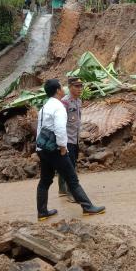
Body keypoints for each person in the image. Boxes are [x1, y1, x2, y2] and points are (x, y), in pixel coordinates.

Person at [36, 79, 105, 221]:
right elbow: (60, 129)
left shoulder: (44, 107)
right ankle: (88, 207)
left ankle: (42, 212)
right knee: (72, 179)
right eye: (62, 87)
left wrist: (40, 149)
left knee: (45, 180)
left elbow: (40, 130)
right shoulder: (59, 107)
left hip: (42, 149)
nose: (63, 89)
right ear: (57, 90)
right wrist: (62, 147)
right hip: (55, 149)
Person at [58, 77, 83, 201]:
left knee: (67, 164)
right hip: (67, 139)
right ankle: (70, 193)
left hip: (75, 138)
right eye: (76, 86)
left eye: (80, 86)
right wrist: (62, 142)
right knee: (70, 166)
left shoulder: (78, 101)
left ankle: (62, 189)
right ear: (69, 87)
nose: (79, 89)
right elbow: (60, 123)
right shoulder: (64, 102)